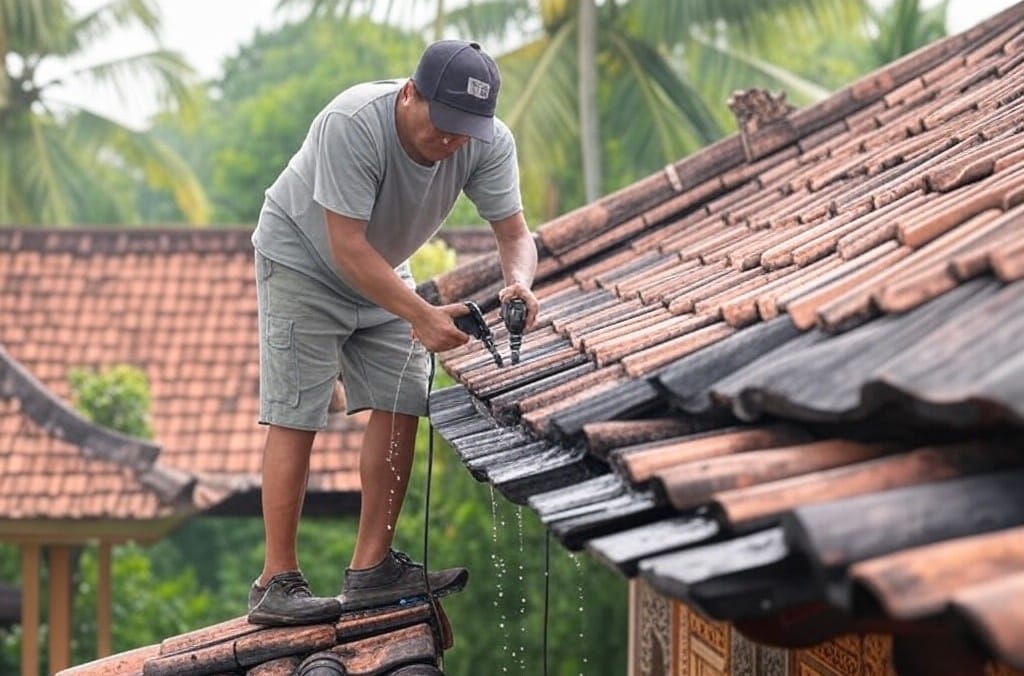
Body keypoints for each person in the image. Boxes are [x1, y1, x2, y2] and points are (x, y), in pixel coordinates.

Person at [245, 39, 539, 626]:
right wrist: (422, 315)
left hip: (383, 262)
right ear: (410, 94)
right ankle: (277, 580)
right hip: (303, 259)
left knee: (405, 394)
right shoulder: (352, 122)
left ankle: (371, 569)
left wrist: (519, 284)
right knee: (297, 410)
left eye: (466, 129)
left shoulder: (487, 142)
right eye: (444, 123)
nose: (452, 140)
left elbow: (515, 235)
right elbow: (345, 248)